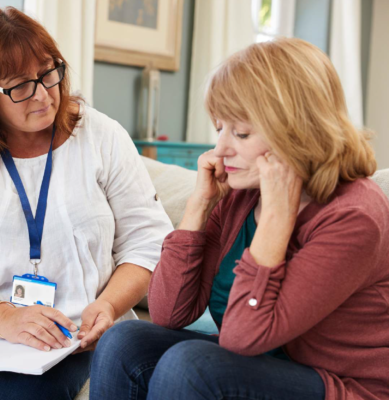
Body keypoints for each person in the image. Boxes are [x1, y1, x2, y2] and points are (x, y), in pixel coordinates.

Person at [0, 6, 172, 400]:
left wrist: (108, 305)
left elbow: (149, 243)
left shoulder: (102, 137)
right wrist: (5, 318)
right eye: (20, 86)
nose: (43, 95)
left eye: (48, 73)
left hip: (68, 329)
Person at [90, 38, 389, 400]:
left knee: (192, 365)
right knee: (125, 341)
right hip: (265, 364)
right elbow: (169, 313)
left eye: (241, 133)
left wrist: (278, 217)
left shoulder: (354, 216)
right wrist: (198, 207)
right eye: (220, 128)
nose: (220, 149)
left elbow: (244, 337)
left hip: (340, 385)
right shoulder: (241, 194)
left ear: (295, 131)